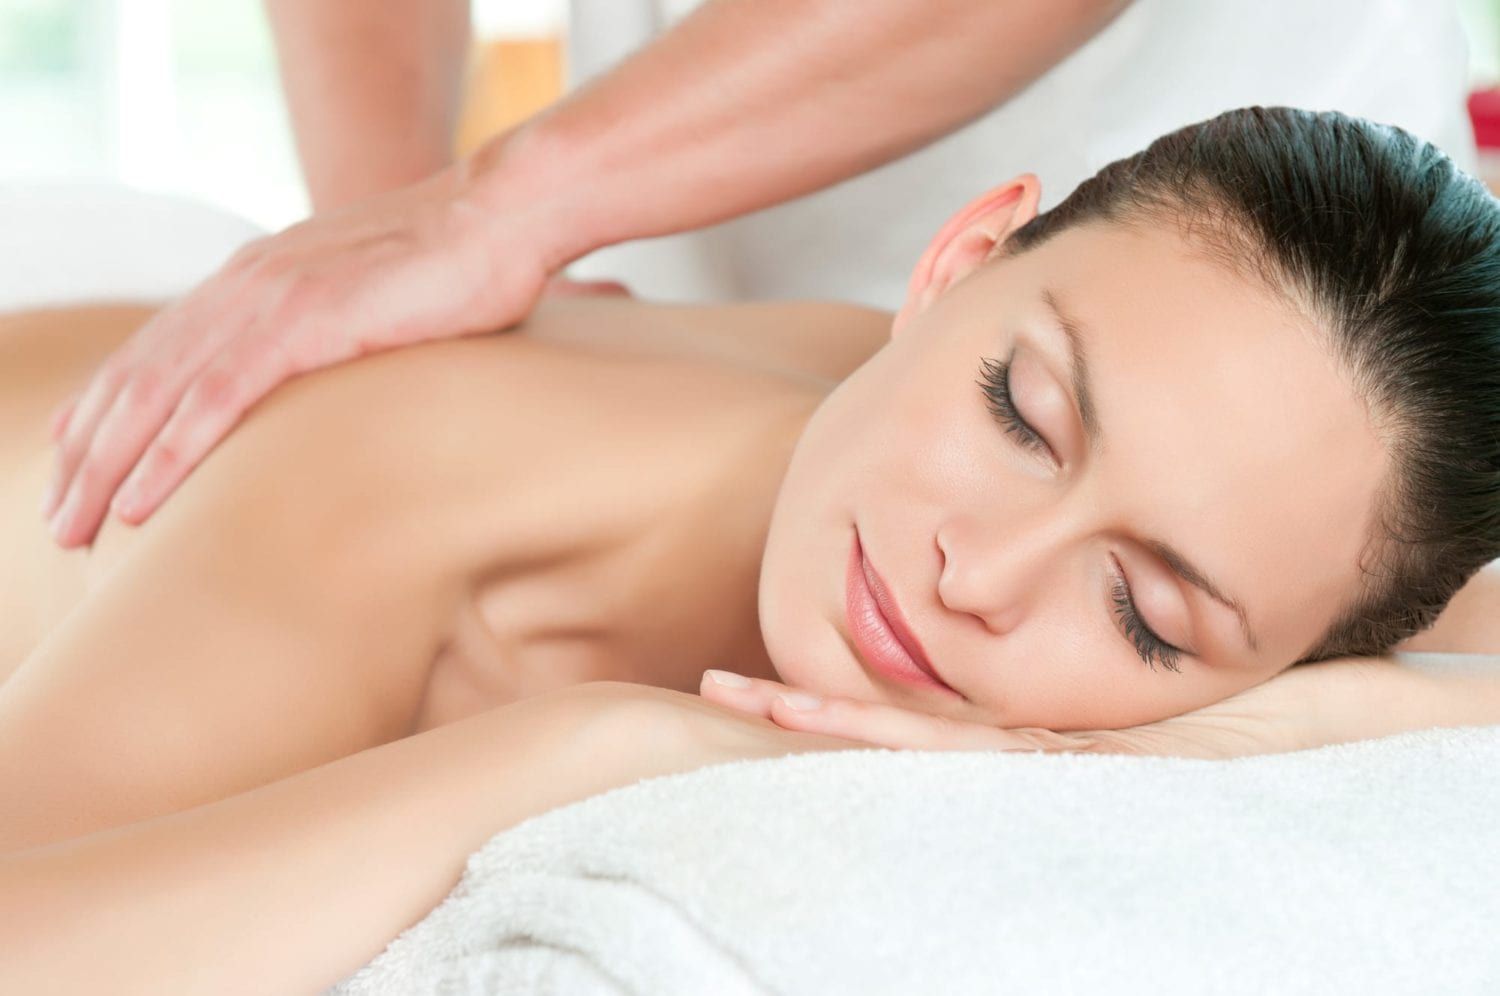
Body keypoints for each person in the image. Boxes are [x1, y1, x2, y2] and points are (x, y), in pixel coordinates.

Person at [3, 107, 1499, 993]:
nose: (975, 574)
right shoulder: (419, 497)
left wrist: (1277, 721)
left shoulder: (1300, 499)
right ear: (960, 262)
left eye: (1147, 617)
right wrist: (587, 751)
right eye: (1020, 415)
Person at [37, 0, 1476, 550]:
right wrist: (400, 231)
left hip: (1254, 277)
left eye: (1151, 613)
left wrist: (502, 207)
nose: (984, 584)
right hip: (647, 252)